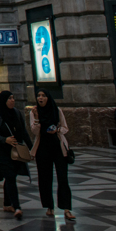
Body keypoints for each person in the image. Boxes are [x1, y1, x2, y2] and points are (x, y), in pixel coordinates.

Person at [0, 90, 33, 220]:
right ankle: (17, 207)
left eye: (13, 98)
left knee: (10, 176)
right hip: (0, 152)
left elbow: (23, 132)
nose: (12, 100)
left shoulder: (17, 113)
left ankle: (7, 204)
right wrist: (4, 139)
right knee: (10, 176)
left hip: (15, 151)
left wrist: (32, 149)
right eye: (9, 98)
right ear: (3, 101)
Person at [30, 88, 75, 220]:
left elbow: (65, 127)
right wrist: (37, 119)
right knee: (45, 178)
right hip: (43, 148)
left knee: (63, 178)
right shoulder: (34, 112)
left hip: (58, 148)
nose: (40, 98)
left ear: (48, 98)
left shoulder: (57, 110)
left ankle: (66, 208)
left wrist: (57, 130)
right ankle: (49, 206)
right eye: (38, 96)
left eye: (43, 95)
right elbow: (34, 131)